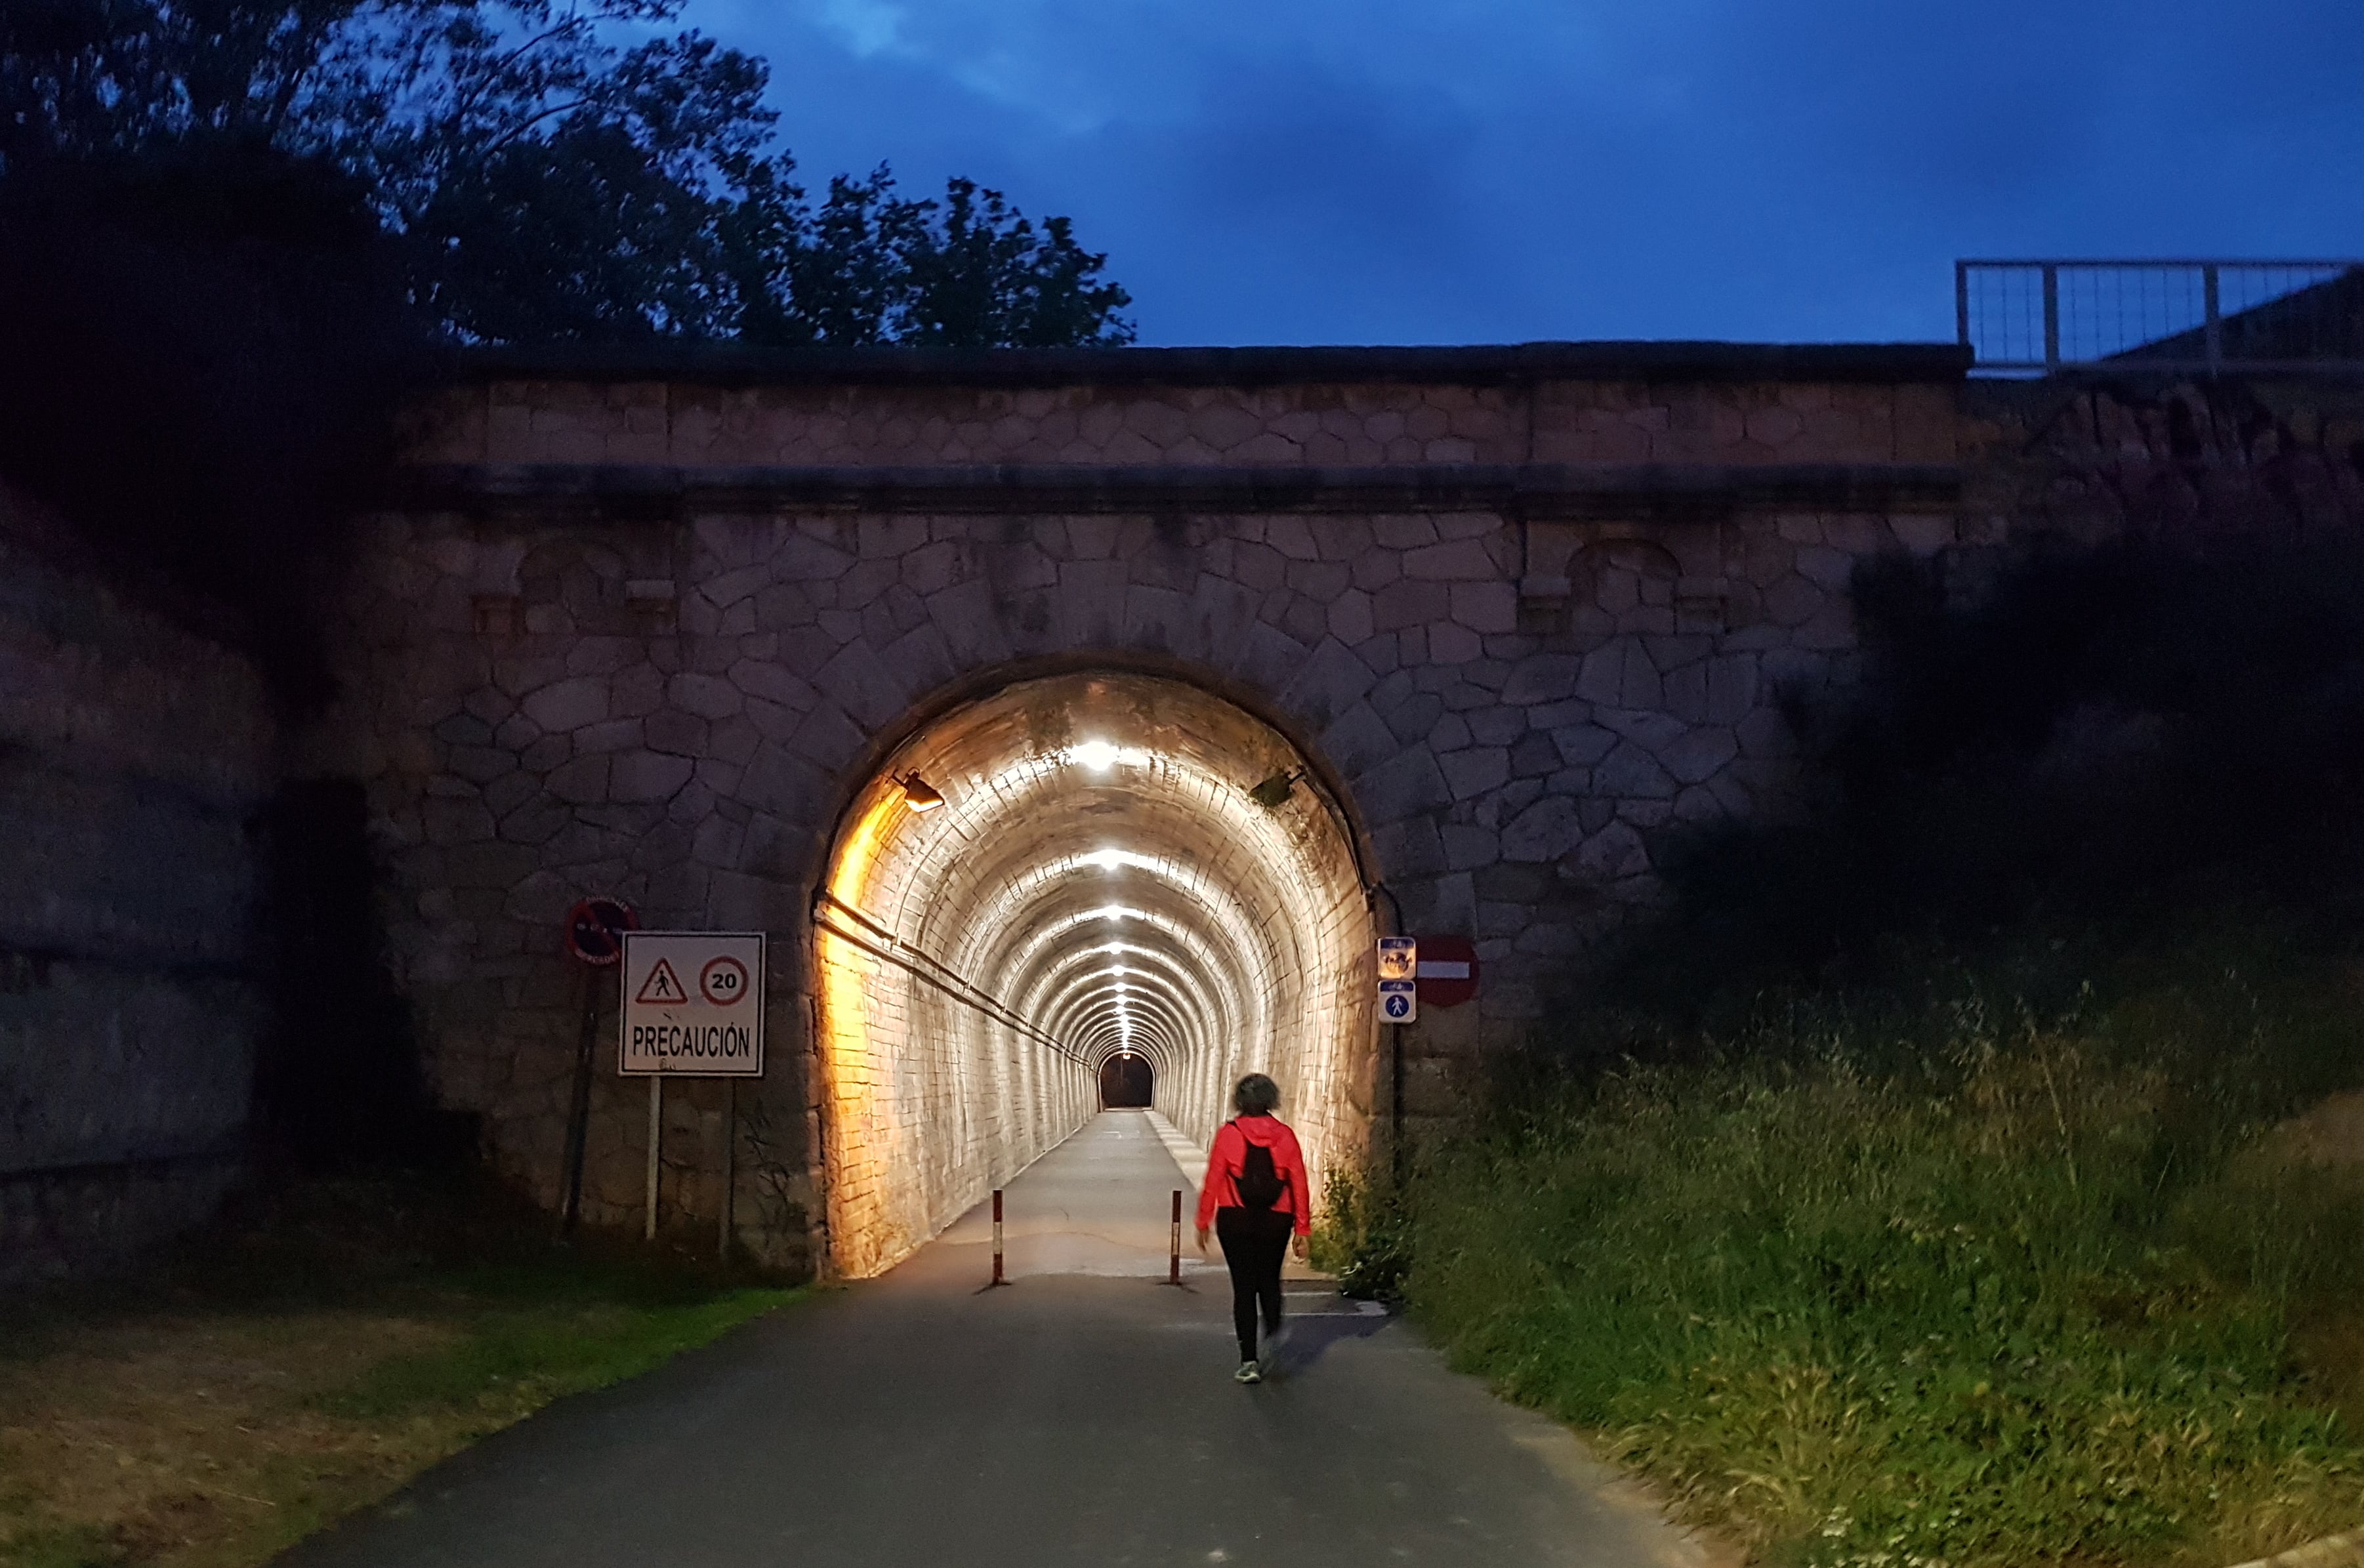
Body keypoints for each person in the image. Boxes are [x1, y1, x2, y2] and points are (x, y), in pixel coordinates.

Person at [1195, 1072, 1310, 1384]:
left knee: (1244, 1289)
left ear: (1240, 1102)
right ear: (1271, 1100)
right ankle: (1273, 1332)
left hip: (1236, 1218)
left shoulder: (1229, 1134)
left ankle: (1248, 1361)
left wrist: (1203, 1220)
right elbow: (1298, 1182)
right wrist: (1303, 1229)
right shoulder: (1285, 1136)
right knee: (1269, 1280)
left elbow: (1215, 1178)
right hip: (1277, 1220)